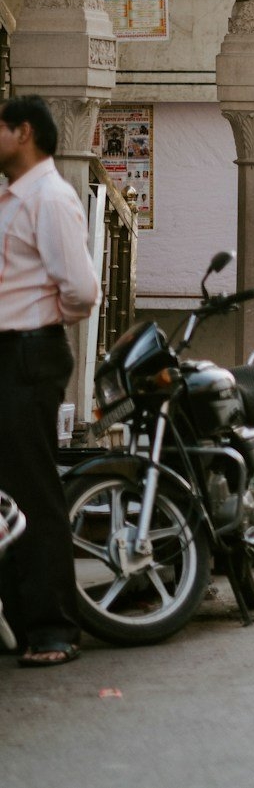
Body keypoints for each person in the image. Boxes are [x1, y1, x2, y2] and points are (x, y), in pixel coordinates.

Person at [0, 95, 99, 667]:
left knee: (32, 490)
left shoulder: (51, 198)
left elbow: (82, 291)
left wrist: (40, 317)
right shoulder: (12, 198)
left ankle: (53, 627)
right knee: (7, 495)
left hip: (29, 353)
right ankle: (16, 619)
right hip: (8, 353)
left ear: (25, 132)